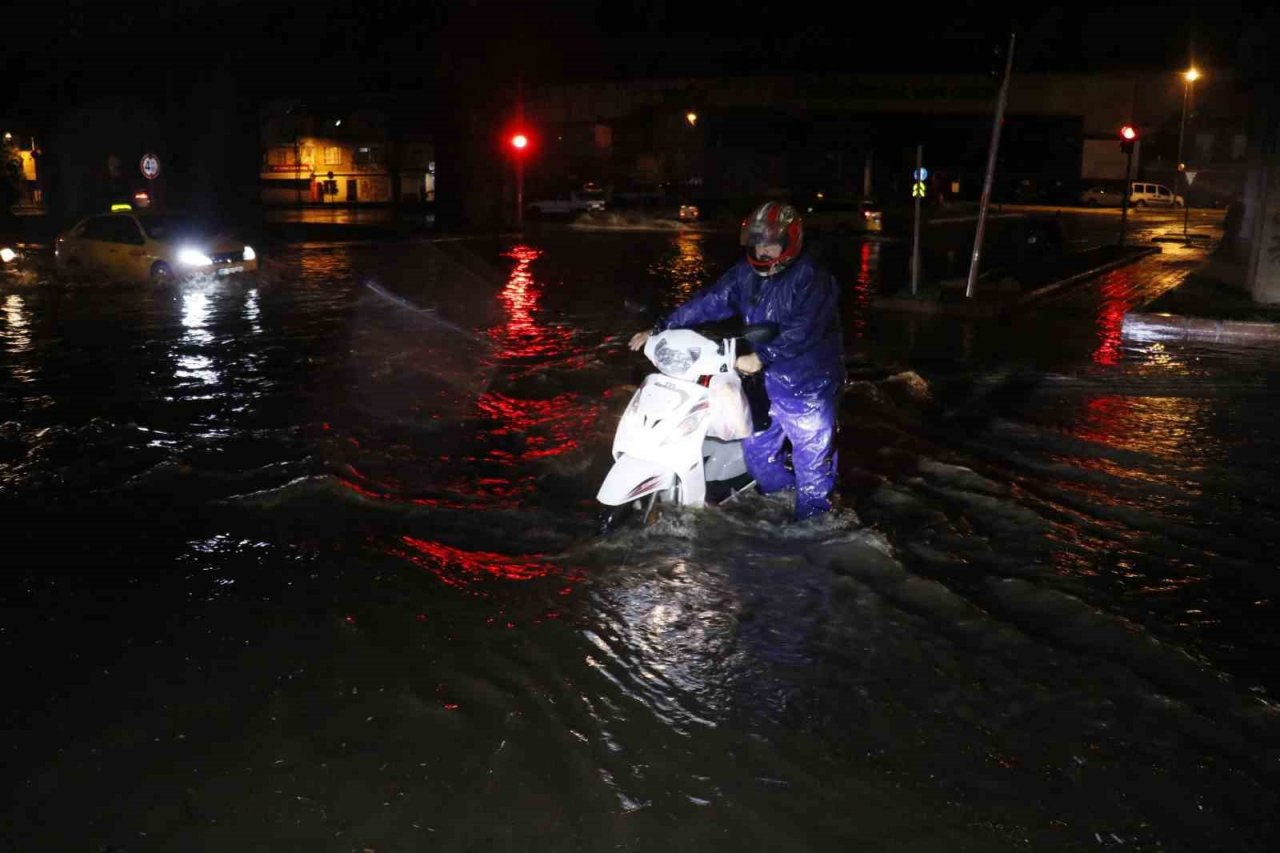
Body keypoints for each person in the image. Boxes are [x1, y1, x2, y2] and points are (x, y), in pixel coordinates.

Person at [629, 200, 844, 520]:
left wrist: (762, 356)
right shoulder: (745, 275)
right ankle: (784, 499)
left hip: (807, 381)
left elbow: (804, 330)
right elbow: (710, 301)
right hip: (760, 379)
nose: (762, 250)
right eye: (757, 243)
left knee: (812, 459)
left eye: (770, 243)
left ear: (790, 242)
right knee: (757, 454)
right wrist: (662, 327)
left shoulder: (813, 278)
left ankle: (815, 526)